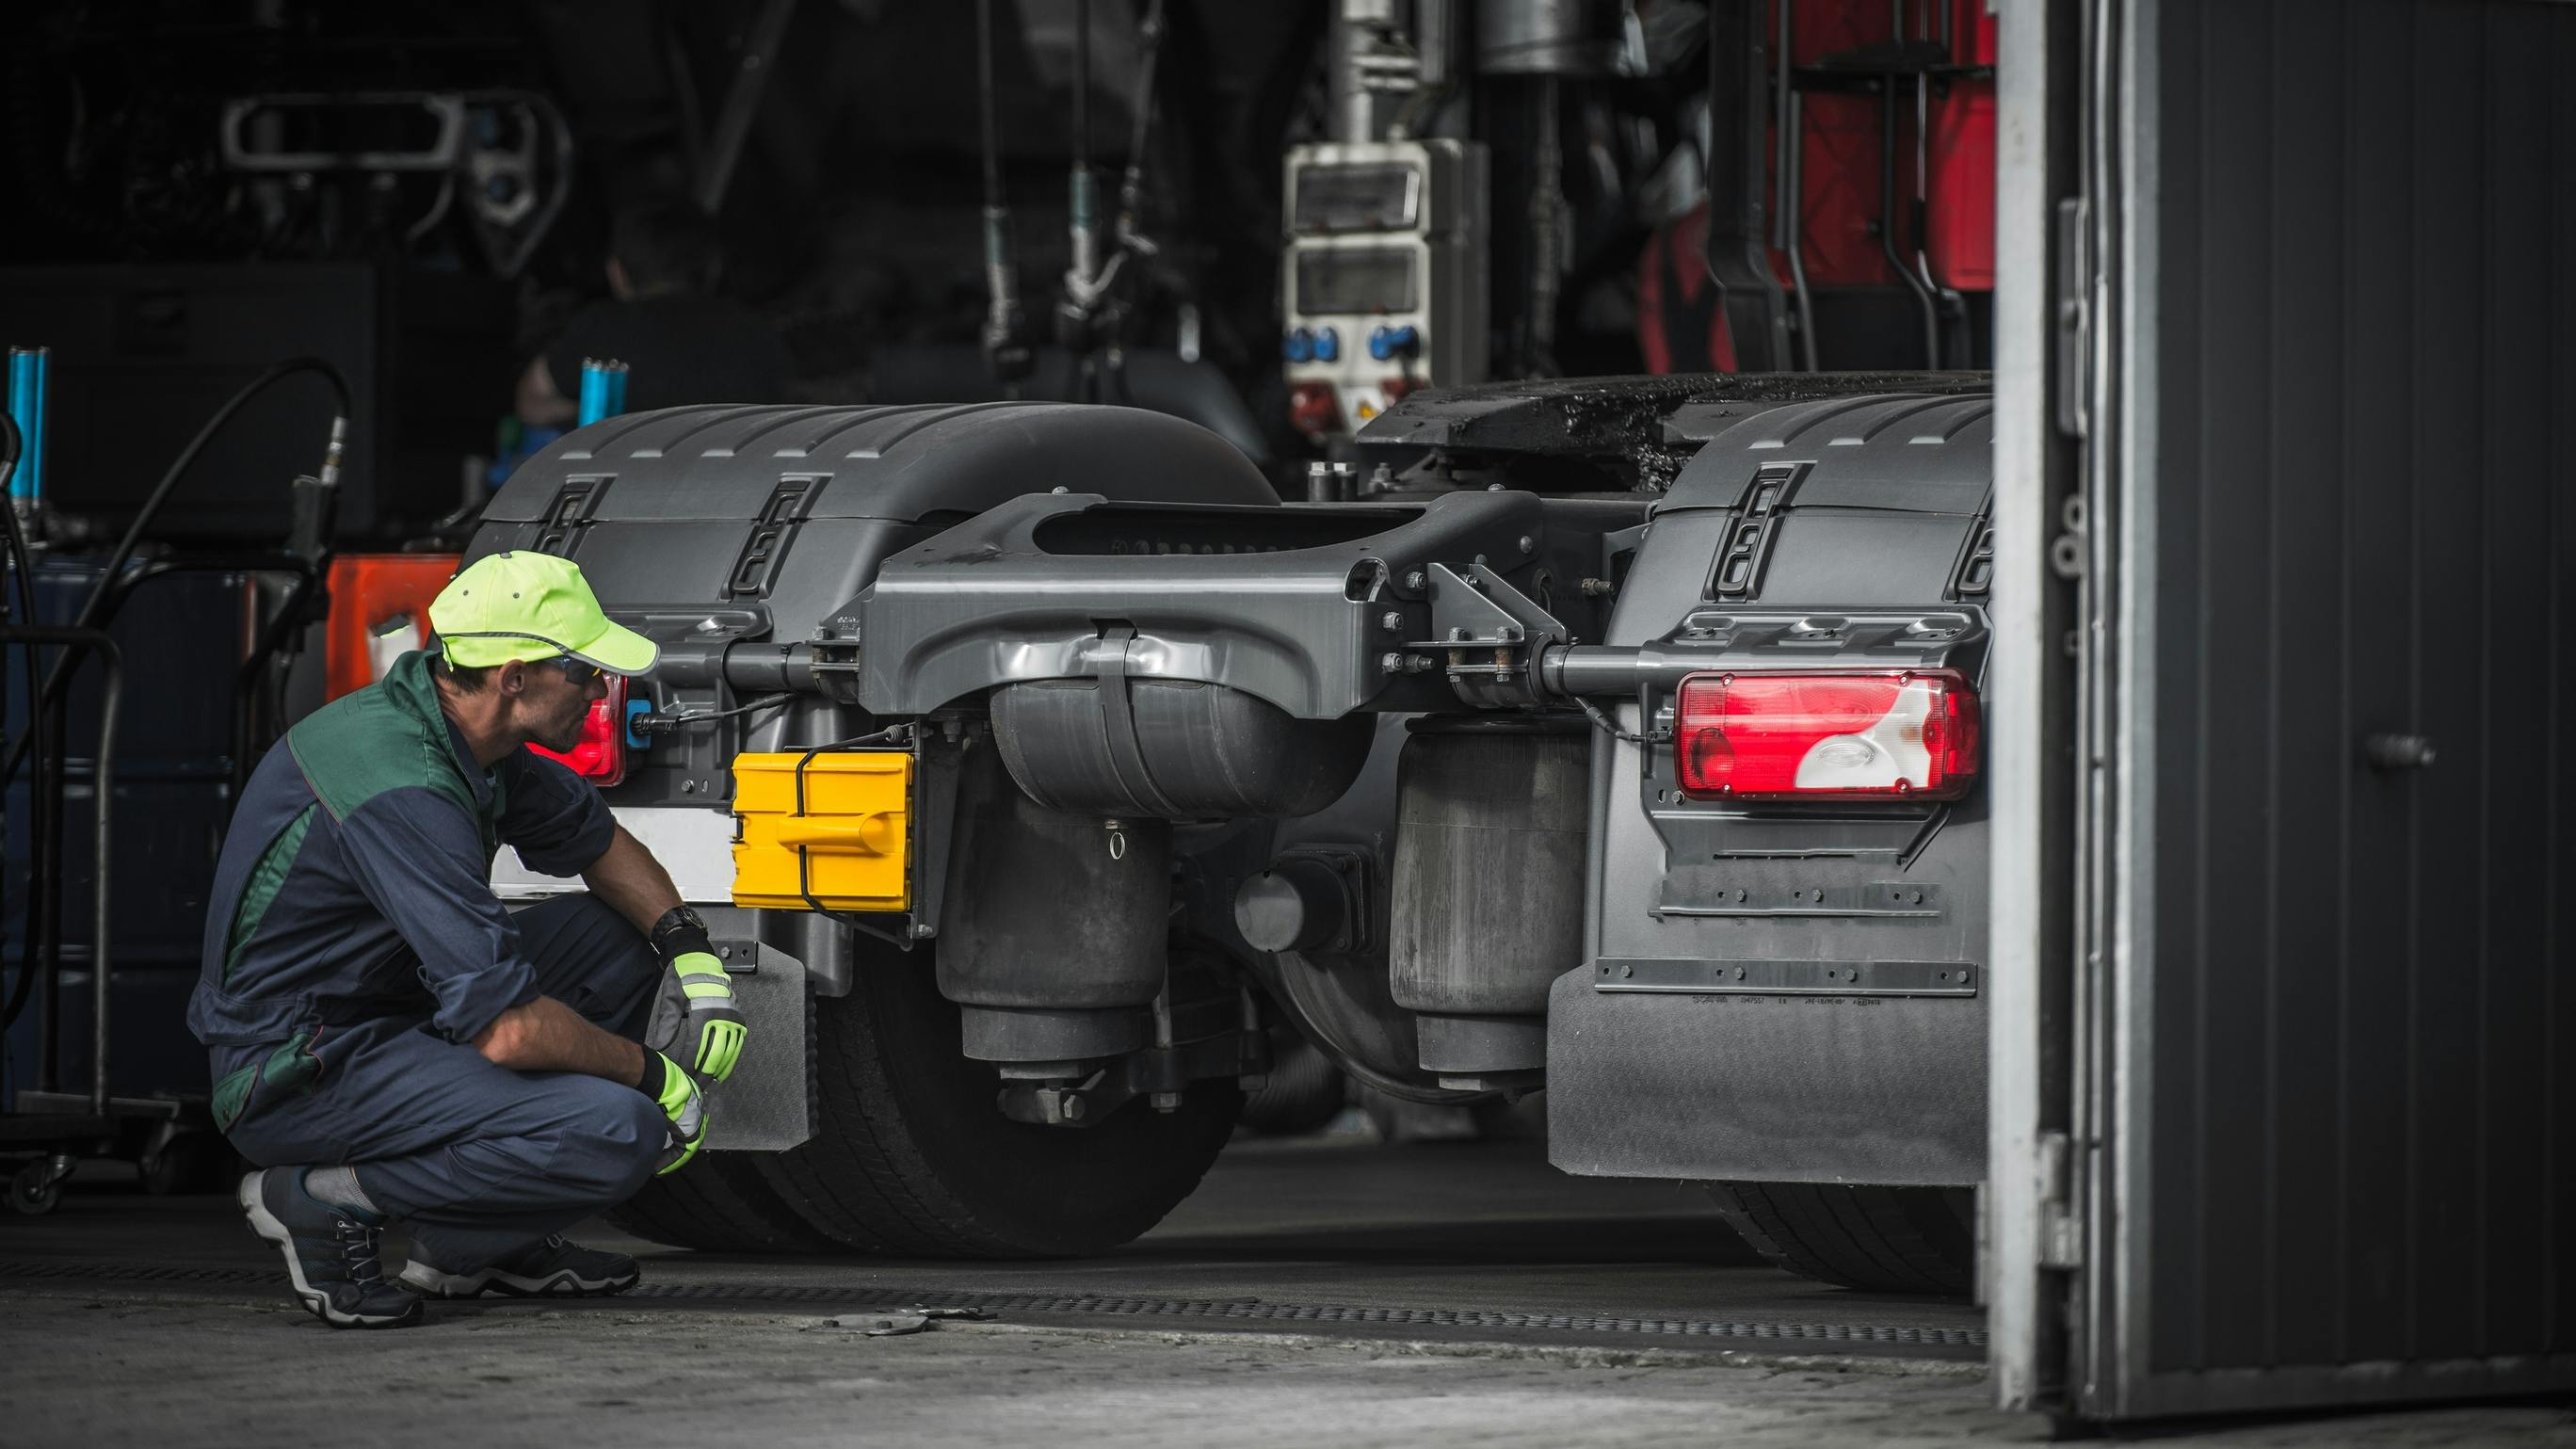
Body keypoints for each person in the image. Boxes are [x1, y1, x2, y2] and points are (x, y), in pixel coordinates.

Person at [189, 551, 749, 1329]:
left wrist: (691, 950)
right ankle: (319, 1198)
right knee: (617, 1130)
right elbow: (507, 1028)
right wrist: (655, 1074)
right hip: (300, 1063)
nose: (598, 690)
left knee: (616, 941)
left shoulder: (469, 735)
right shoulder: (403, 784)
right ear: (515, 676)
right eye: (583, 670)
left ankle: (474, 1243)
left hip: (390, 1006)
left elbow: (598, 842)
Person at [515, 200, 793, 425]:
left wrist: (597, 403)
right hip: (737, 488)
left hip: (632, 488)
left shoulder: (604, 326)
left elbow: (532, 403)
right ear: (714, 267)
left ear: (616, 273)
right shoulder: (757, 331)